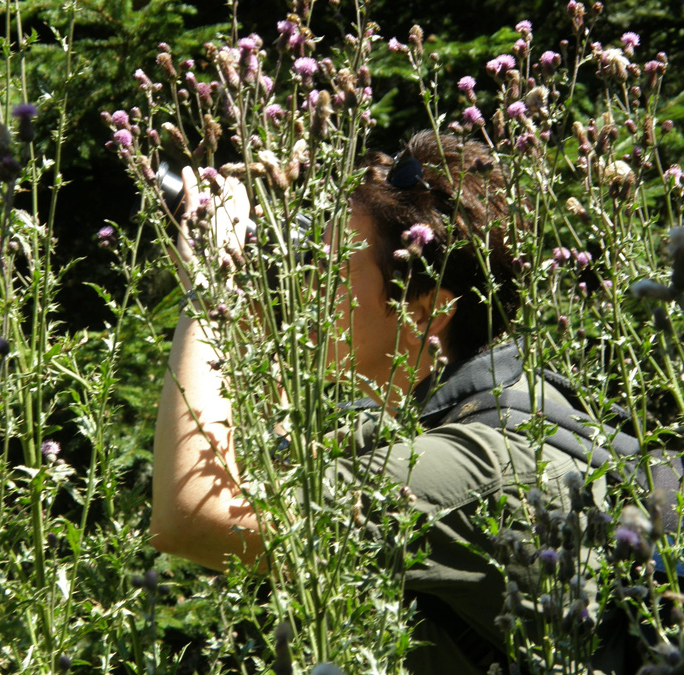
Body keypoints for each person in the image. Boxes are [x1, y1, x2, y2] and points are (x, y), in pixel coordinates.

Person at [150, 130, 606, 673]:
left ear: (425, 312)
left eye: (330, 271)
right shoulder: (466, 418)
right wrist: (239, 306)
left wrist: (210, 284)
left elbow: (194, 518)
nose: (305, 288)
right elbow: (262, 447)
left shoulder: (482, 463)